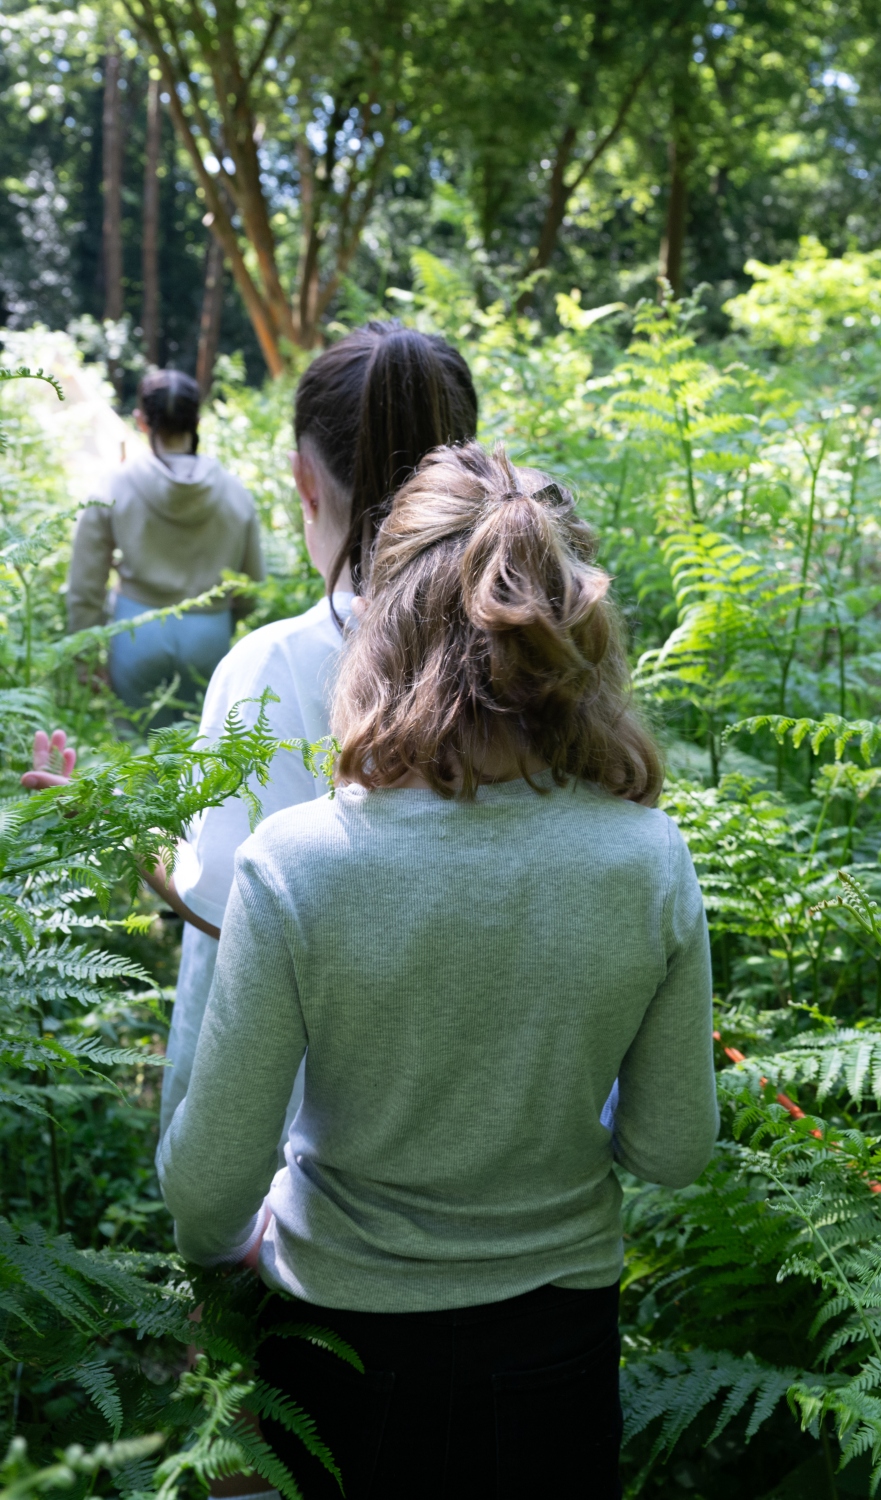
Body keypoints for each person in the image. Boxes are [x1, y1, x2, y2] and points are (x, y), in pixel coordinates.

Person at [158, 442, 719, 1499]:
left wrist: (242, 1231)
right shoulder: (647, 857)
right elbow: (672, 1148)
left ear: (384, 625)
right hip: (557, 1351)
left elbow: (206, 1193)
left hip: (338, 1356)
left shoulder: (299, 863)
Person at [151, 322, 478, 1137]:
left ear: (304, 481)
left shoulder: (268, 667)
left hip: (299, 1145)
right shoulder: (532, 661)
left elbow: (221, 904)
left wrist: (141, 852)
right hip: (485, 1117)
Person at [66, 369, 265, 723]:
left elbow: (85, 585)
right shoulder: (236, 492)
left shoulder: (114, 486)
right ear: (197, 421)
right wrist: (229, 618)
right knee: (203, 756)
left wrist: (85, 661)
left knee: (134, 757)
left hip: (134, 632)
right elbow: (252, 586)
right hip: (210, 636)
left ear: (142, 421)